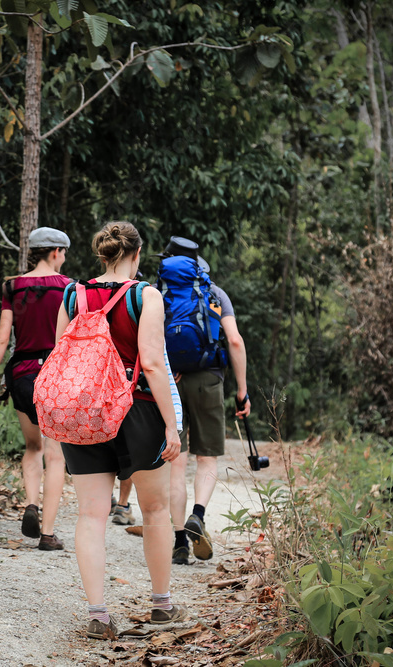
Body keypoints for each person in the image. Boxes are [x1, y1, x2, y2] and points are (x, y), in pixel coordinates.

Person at [54, 221, 186, 639]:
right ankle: (162, 607)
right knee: (155, 511)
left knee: (91, 514)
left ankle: (98, 615)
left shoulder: (73, 294)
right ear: (137, 254)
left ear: (102, 254)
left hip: (85, 413)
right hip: (138, 411)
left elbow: (61, 358)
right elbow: (151, 362)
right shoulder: (146, 295)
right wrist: (171, 424)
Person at [0, 227, 72, 551]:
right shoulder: (70, 288)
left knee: (33, 447)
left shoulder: (12, 286)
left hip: (21, 374)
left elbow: (3, 337)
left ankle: (31, 503)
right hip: (55, 376)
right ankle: (47, 533)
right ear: (56, 252)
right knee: (55, 455)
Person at [159, 237, 250, 565]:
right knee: (207, 459)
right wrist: (242, 390)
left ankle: (180, 540)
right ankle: (199, 514)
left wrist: (167, 371)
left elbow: (149, 341)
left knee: (176, 463)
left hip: (172, 383)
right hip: (210, 379)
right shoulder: (213, 293)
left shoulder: (158, 292)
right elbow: (235, 341)